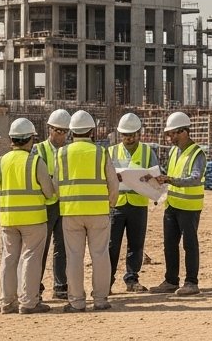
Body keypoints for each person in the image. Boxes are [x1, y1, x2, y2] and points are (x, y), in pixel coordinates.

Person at [0, 118, 58, 314]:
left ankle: (7, 302)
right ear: (30, 139)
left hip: (8, 218)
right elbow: (49, 192)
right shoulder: (35, 161)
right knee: (31, 258)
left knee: (9, 258)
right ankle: (29, 302)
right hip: (33, 219)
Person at [58, 109, 119, 312]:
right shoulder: (101, 152)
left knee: (74, 256)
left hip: (71, 211)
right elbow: (113, 184)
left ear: (71, 132)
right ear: (92, 131)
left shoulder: (62, 153)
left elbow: (56, 184)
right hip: (98, 211)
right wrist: (109, 204)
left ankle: (76, 301)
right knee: (100, 255)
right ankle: (100, 299)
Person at [148, 111, 205, 296]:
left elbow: (195, 178)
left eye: (173, 133)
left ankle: (191, 282)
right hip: (171, 205)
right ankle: (171, 280)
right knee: (169, 244)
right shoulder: (173, 151)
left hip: (189, 207)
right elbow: (169, 171)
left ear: (184, 132)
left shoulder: (197, 153)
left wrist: (170, 180)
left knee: (190, 245)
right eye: (169, 134)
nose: (170, 137)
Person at [109, 112, 156, 292]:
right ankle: (107, 280)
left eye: (131, 135)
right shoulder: (111, 151)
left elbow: (156, 174)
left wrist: (148, 178)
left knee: (136, 245)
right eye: (125, 135)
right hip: (117, 204)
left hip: (138, 204)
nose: (128, 138)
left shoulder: (147, 151)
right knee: (112, 245)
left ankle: (132, 279)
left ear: (139, 134)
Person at [35, 107, 72, 300]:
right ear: (49, 129)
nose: (60, 135)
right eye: (57, 131)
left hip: (64, 204)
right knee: (42, 246)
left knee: (62, 247)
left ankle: (60, 285)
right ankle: (36, 287)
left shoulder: (69, 151)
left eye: (64, 132)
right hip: (45, 204)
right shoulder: (38, 149)